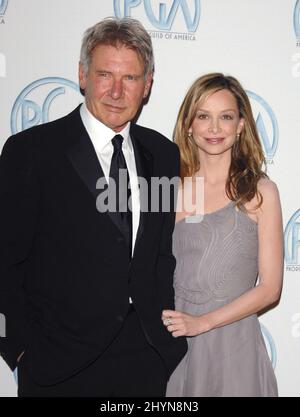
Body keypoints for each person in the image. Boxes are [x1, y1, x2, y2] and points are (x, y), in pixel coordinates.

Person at [0, 17, 187, 397]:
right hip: (57, 365)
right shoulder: (31, 151)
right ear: (82, 75)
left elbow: (160, 253)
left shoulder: (163, 154)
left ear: (148, 85)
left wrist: (163, 343)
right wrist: (19, 348)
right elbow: (4, 259)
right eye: (105, 74)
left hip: (145, 359)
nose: (116, 91)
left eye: (130, 78)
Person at [162, 73, 283, 397]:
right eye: (204, 116)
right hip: (174, 350)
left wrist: (204, 323)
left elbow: (270, 289)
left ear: (241, 124)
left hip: (234, 349)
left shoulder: (260, 193)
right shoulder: (167, 191)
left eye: (225, 117)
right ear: (189, 124)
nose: (214, 129)